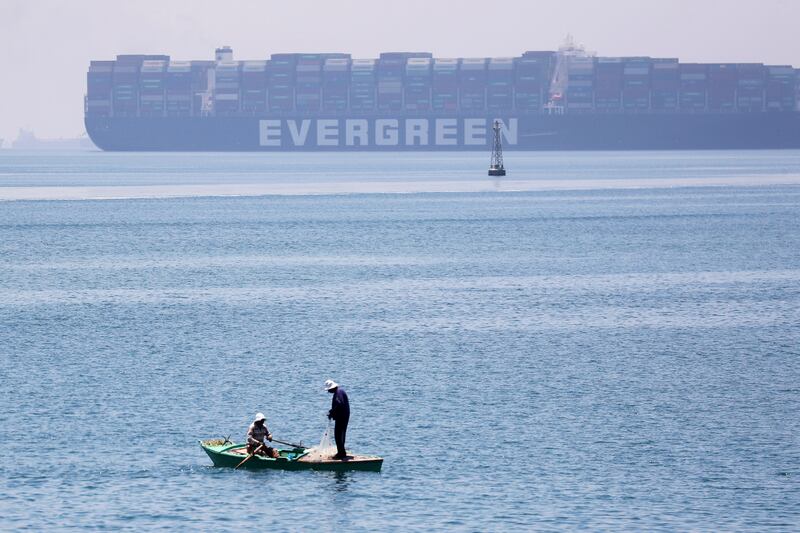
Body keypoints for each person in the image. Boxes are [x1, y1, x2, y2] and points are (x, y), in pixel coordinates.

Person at [325, 379, 350, 460]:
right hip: (344, 416)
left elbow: (339, 405)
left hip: (342, 417)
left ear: (332, 388)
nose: (329, 392)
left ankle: (341, 453)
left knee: (338, 435)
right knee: (340, 434)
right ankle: (341, 452)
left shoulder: (338, 393)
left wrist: (331, 412)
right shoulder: (340, 392)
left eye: (329, 390)